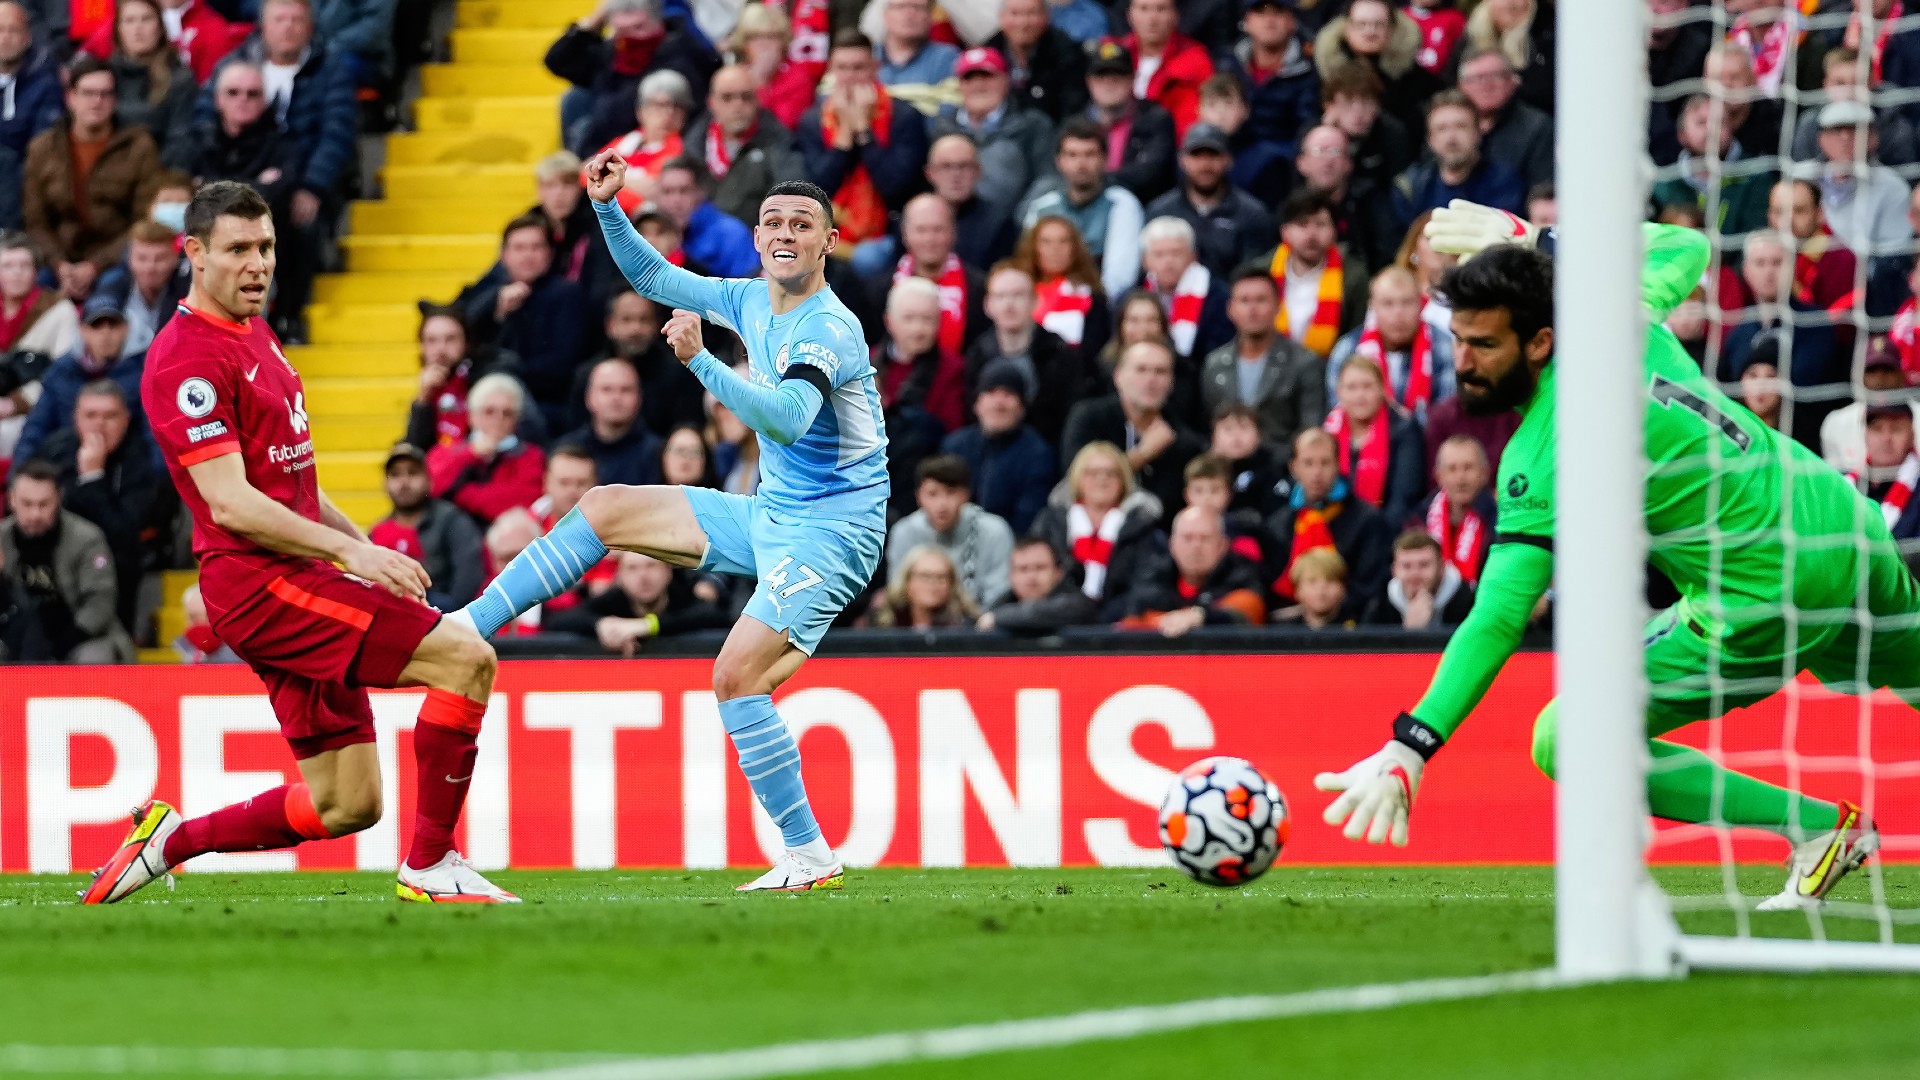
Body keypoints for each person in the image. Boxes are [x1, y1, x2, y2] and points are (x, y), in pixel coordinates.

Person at [1316, 204, 1899, 912]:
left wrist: (1412, 745)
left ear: (1539, 342)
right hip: (1840, 523)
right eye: (1458, 341)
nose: (1462, 363)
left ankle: (1817, 829)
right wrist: (1533, 238)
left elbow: (1499, 615)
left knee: (1567, 738)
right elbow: (1683, 244)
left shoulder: (1542, 452)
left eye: (1484, 345)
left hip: (1764, 593)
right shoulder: (1619, 316)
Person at [454, 159, 893, 894]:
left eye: (802, 225)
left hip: (833, 532)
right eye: (775, 223)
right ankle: (470, 625)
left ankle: (810, 855)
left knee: (735, 678)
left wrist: (699, 364)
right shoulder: (750, 299)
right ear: (756, 238)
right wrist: (606, 207)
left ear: (828, 243)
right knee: (603, 507)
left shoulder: (831, 327)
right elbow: (656, 279)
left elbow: (785, 419)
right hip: (774, 515)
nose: (786, 234)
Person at [95, 181, 512, 905]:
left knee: (347, 805)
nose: (257, 265)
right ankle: (432, 863)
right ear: (192, 253)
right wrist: (349, 556)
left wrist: (358, 543)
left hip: (295, 576)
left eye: (266, 249)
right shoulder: (184, 360)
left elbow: (291, 478)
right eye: (237, 251)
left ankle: (168, 841)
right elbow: (231, 502)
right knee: (467, 661)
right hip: (263, 586)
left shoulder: (253, 329)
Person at [201, 0, 360, 333]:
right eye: (279, 19)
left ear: (310, 27)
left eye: (296, 20)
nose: (288, 26)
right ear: (263, 25)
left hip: (304, 180)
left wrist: (311, 186)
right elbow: (203, 124)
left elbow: (336, 134)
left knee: (300, 221)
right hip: (243, 175)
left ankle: (290, 313)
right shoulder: (235, 64)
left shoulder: (332, 68)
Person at [29, 377, 164, 632]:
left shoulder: (141, 460)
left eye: (109, 416)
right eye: (91, 415)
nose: (99, 424)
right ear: (76, 417)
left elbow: (124, 533)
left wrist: (92, 478)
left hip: (112, 568)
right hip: (51, 562)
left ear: (126, 419)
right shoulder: (55, 450)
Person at [24, 57, 163, 304]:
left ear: (115, 100)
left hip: (115, 262)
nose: (96, 102)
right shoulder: (43, 148)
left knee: (103, 308)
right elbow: (36, 221)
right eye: (88, 93)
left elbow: (144, 220)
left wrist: (94, 266)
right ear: (71, 98)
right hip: (57, 262)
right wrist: (59, 265)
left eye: (105, 94)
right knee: (31, 304)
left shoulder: (138, 146)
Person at [795, 30, 931, 272]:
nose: (850, 77)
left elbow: (895, 187)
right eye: (843, 68)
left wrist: (863, 131)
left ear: (875, 68)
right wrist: (844, 138)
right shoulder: (812, 120)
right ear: (831, 70)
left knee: (867, 259)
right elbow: (817, 190)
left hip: (888, 230)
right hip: (828, 226)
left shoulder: (904, 116)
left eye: (858, 68)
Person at [459, 213, 594, 433]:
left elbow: (563, 364)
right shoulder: (489, 295)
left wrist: (511, 372)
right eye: (519, 248)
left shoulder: (568, 295)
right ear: (504, 256)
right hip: (490, 400)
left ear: (550, 254)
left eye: (536, 247)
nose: (527, 256)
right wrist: (497, 312)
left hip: (546, 405)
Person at [546, 0, 719, 156]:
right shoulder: (614, 53)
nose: (630, 37)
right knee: (574, 99)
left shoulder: (682, 54)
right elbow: (557, 61)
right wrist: (593, 23)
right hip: (603, 145)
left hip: (654, 148)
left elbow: (621, 116)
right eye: (622, 30)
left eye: (638, 27)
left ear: (657, 21)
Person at [0, 459, 132, 661]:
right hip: (17, 635)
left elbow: (100, 601)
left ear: (59, 499)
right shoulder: (2, 538)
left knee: (93, 658)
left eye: (44, 504)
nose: (35, 514)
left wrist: (66, 641)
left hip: (79, 634)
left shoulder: (87, 537)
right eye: (27, 504)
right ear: (12, 500)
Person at [1262, 426, 1391, 622]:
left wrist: (1317, 610)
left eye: (1325, 463)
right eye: (1308, 463)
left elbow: (1369, 588)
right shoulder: (1277, 524)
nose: (1317, 472)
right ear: (1293, 467)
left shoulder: (1368, 521)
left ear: (1338, 465)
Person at [961, 261, 1097, 447]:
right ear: (987, 305)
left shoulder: (1061, 353)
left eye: (1018, 295)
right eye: (1000, 296)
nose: (1009, 305)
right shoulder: (976, 354)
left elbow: (1070, 414)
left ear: (1035, 301)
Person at [1062, 341, 1205, 513]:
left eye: (1160, 372)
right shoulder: (1089, 417)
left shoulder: (1184, 442)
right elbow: (1075, 479)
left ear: (1171, 382)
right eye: (1141, 370)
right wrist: (1143, 454)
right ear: (1118, 377)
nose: (1151, 380)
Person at [1200, 266, 1324, 462]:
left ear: (1278, 306)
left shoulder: (1305, 363)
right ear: (1230, 309)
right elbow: (1207, 427)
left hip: (1281, 472)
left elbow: (1310, 431)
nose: (1252, 310)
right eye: (1244, 301)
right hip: (1224, 474)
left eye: (1261, 300)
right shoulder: (1214, 364)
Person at [1028, 440, 1164, 620]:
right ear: (1077, 478)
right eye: (1092, 473)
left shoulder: (1142, 526)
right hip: (1056, 622)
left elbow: (1147, 586)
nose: (1102, 479)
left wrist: (1100, 620)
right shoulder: (1050, 523)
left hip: (1116, 628)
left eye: (1111, 473)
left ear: (1123, 480)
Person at [13, 291, 145, 467]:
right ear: (82, 330)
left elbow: (152, 435)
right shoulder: (61, 371)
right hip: (65, 463)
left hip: (128, 466)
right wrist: (20, 474)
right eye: (96, 326)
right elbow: (36, 427)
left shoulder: (145, 371)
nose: (105, 333)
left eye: (113, 325)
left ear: (126, 328)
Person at [1020, 119, 1147, 302]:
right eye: (1072, 155)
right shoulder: (1042, 207)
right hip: (1043, 308)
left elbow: (1119, 278)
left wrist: (1079, 306)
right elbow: (1027, 267)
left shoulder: (1121, 204)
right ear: (1059, 162)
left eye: (1089, 154)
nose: (1081, 164)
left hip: (1098, 308)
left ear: (1105, 160)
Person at [929, 48, 1054, 223]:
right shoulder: (942, 128)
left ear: (1006, 80)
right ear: (959, 85)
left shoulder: (1033, 125)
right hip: (953, 228)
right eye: (969, 78)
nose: (978, 85)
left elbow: (1047, 180)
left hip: (1014, 227)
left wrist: (1020, 221)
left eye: (987, 76)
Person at [1142, 122, 1276, 279]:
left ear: (1228, 159)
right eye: (1196, 155)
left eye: (1213, 155)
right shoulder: (1159, 211)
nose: (1205, 165)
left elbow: (1253, 277)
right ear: (1182, 160)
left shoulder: (1252, 215)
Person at [567, 291, 705, 437]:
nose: (636, 329)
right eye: (626, 320)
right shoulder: (588, 374)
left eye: (644, 320)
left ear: (657, 325)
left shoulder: (678, 373)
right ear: (609, 325)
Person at [886, 453, 1014, 609]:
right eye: (932, 494)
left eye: (951, 492)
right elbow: (898, 592)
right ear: (918, 497)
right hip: (917, 625)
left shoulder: (995, 530)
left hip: (978, 626)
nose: (942, 504)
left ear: (966, 495)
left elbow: (1000, 594)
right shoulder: (904, 531)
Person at [941, 360, 1056, 532]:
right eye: (991, 392)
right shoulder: (954, 446)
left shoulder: (1037, 454)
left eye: (1008, 394)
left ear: (1022, 407)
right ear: (977, 404)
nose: (999, 403)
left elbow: (1028, 519)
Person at [369, 442, 486, 611]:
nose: (404, 482)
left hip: (445, 621)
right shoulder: (378, 531)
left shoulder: (453, 522)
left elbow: (466, 589)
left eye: (413, 473)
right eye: (395, 475)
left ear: (430, 480)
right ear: (385, 484)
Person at [1388, 90, 1525, 235]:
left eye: (1460, 126)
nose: (1451, 138)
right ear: (1430, 140)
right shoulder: (1410, 189)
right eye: (1442, 129)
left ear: (1478, 133)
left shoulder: (1503, 184)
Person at [1327, 265, 1455, 420]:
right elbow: (1339, 414)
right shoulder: (1347, 349)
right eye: (1388, 303)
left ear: (1421, 304)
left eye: (1407, 302)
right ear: (1372, 306)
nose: (1398, 313)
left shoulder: (1444, 346)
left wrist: (1404, 428)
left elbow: (1446, 416)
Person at [690, 63, 807, 228]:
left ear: (758, 100)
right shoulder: (694, 144)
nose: (737, 105)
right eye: (727, 98)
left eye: (746, 97)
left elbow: (791, 198)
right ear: (711, 102)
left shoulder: (778, 142)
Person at [181, 61, 301, 221]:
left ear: (264, 101)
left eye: (252, 93)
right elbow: (182, 194)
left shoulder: (284, 146)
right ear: (218, 99)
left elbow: (275, 198)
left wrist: (206, 186)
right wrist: (257, 185)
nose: (243, 99)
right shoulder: (198, 140)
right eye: (233, 92)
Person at [871, 193, 987, 359]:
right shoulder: (878, 291)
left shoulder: (979, 289)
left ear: (953, 232)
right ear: (905, 234)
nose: (929, 239)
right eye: (921, 230)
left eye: (938, 229)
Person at [1119, 505, 1265, 636]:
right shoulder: (1152, 575)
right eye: (1188, 538)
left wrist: (1201, 616)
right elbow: (1131, 622)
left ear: (1223, 545)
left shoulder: (1241, 573)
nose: (1196, 546)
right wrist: (1167, 621)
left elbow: (1246, 611)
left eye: (1205, 538)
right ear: (1172, 544)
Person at [547, 549, 731, 652]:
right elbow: (556, 621)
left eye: (651, 566)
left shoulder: (682, 594)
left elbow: (715, 615)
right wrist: (600, 624)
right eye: (632, 568)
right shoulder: (613, 600)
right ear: (620, 576)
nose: (643, 577)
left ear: (668, 571)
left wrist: (648, 625)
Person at [1648, 93, 1775, 242]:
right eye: (1701, 122)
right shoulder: (1662, 186)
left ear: (1732, 128)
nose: (1710, 130)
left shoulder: (1756, 178)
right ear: (1681, 135)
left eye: (1719, 122)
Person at [427, 372, 547, 525]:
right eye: (489, 411)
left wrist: (461, 494)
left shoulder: (532, 457)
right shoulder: (445, 451)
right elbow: (429, 488)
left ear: (517, 419)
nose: (498, 419)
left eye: (507, 413)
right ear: (472, 416)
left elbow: (517, 504)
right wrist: (471, 453)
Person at [0, 234, 80, 458]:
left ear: (36, 272)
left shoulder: (60, 311)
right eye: (7, 266)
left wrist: (15, 403)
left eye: (24, 266)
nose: (16, 272)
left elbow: (64, 373)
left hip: (33, 412)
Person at [1324, 354, 1426, 529]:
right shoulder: (1328, 430)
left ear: (1382, 389)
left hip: (1387, 529)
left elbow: (1403, 497)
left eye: (1367, 386)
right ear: (1339, 392)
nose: (1360, 395)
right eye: (1352, 387)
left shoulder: (1404, 428)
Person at [1264, 189, 1368, 360]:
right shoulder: (1263, 272)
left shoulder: (1353, 277)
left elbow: (1356, 337)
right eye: (1302, 224)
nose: (1311, 235)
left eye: (1320, 225)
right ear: (1285, 232)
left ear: (1335, 232)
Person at [1312, 0, 1440, 132]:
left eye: (1378, 25)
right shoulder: (1324, 76)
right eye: (1361, 24)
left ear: (1392, 29)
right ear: (1346, 29)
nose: (1370, 31)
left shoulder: (1418, 81)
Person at [1075, 41, 1177, 205]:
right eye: (1101, 76)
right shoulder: (1076, 125)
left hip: (1144, 205)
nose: (1109, 83)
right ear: (1089, 82)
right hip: (1086, 206)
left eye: (1118, 75)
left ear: (1132, 79)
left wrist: (1095, 182)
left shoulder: (1156, 119)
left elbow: (1151, 172)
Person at [1811, 100, 1912, 264]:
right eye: (1836, 130)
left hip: (1865, 281)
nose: (1845, 138)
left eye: (1854, 129)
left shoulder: (1893, 188)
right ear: (1821, 139)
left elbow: (1892, 258)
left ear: (1873, 138)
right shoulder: (1802, 180)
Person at [1221, 0, 1319, 166]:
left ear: (1292, 21)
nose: (1269, 20)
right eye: (1260, 12)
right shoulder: (1228, 66)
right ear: (1246, 21)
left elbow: (1306, 130)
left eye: (1278, 11)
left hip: (1283, 168)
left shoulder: (1309, 72)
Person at [875, 274, 968, 436]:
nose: (918, 329)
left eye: (927, 319)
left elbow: (952, 431)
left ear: (939, 322)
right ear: (888, 321)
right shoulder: (863, 363)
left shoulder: (954, 370)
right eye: (909, 318)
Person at [108, 0, 197, 169]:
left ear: (160, 27)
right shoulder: (105, 77)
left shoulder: (180, 79)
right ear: (118, 29)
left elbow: (181, 144)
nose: (138, 28)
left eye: (146, 19)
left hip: (159, 178)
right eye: (129, 20)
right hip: (109, 176)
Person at [0, 2, 66, 230]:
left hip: (23, 190)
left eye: (13, 30)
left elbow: (42, 148)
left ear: (28, 36)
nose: (5, 37)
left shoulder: (47, 83)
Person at [595, 69, 693, 214]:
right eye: (660, 105)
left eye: (677, 107)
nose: (669, 113)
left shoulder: (678, 149)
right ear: (641, 111)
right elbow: (587, 171)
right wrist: (629, 183)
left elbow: (648, 192)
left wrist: (608, 179)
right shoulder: (627, 141)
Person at [1454, 46, 1551, 193]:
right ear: (1461, 87)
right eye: (1476, 79)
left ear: (1513, 81)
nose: (1486, 85)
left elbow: (1543, 189)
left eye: (1495, 76)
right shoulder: (1448, 124)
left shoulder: (1538, 127)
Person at [1012, 214, 1112, 355]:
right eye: (1046, 242)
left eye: (1063, 241)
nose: (1055, 249)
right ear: (1034, 247)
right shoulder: (1016, 291)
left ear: (1074, 249)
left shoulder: (1092, 297)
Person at [1137, 215, 1231, 365]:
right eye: (1159, 254)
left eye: (1176, 253)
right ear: (1145, 261)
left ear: (1193, 256)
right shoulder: (1135, 295)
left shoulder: (1217, 297)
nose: (1168, 262)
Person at [561, 356, 664, 486]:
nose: (616, 397)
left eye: (626, 390)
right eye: (607, 389)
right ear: (589, 397)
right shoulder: (565, 451)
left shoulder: (658, 455)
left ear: (639, 397)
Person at [1117, 0, 1214, 138]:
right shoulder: (1114, 55)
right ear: (1129, 15)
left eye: (1161, 9)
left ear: (1175, 15)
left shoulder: (1196, 61)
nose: (1152, 19)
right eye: (1144, 9)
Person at [652, 156, 759, 278]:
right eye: (667, 192)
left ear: (700, 192)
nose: (676, 200)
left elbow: (747, 289)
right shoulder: (646, 231)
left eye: (684, 191)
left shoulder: (731, 234)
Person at [1823, 340, 1919, 475]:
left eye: (1887, 370)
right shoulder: (1836, 422)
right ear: (1860, 377)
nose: (1879, 378)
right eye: (1872, 371)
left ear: (1901, 376)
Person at [725, 1, 824, 132]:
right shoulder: (733, 76)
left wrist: (760, 82)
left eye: (771, 37)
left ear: (783, 41)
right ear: (744, 43)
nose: (764, 44)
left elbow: (783, 127)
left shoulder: (798, 78)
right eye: (755, 37)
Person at [924, 133, 1017, 271]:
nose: (956, 175)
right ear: (930, 174)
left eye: (964, 166)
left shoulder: (1000, 223)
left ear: (978, 171)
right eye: (946, 166)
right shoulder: (915, 219)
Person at [93, 220, 185, 357]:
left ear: (175, 258)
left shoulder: (187, 295)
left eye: (160, 259)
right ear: (129, 258)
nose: (150, 268)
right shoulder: (111, 291)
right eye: (142, 258)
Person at [987, 0, 1088, 124]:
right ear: (1001, 18)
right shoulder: (988, 54)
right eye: (1015, 14)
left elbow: (1073, 110)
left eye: (1031, 14)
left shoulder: (1069, 54)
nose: (1023, 23)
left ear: (1047, 16)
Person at [975, 535, 1097, 633]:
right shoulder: (1002, 603)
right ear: (1010, 575)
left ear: (1058, 573)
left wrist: (997, 618)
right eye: (1023, 569)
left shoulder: (1077, 602)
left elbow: (1038, 614)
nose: (1031, 577)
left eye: (1040, 567)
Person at [1418, 432, 1496, 584]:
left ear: (1484, 473)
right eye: (1452, 469)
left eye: (1468, 468)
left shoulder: (1499, 521)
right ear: (1439, 475)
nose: (1460, 477)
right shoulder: (1418, 520)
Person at [1363, 528, 1474, 629]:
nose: (1415, 574)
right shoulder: (1380, 606)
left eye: (1424, 565)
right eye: (1406, 566)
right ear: (1394, 570)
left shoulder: (1470, 603)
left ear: (1442, 567)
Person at [871, 0, 958, 114]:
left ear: (930, 16)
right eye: (901, 7)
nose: (909, 14)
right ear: (885, 14)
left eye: (918, 8)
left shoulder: (947, 59)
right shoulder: (867, 58)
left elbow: (949, 114)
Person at [865, 544, 978, 628]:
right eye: (925, 576)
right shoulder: (883, 618)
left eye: (941, 577)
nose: (933, 584)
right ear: (907, 580)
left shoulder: (967, 623)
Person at [1271, 545, 1349, 629]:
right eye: (1312, 581)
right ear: (1297, 589)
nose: (1321, 588)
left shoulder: (1358, 625)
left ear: (1343, 588)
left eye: (1330, 580)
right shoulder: (1280, 627)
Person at [659, 423, 720, 488]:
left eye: (694, 452)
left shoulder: (718, 497)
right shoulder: (649, 495)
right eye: (679, 450)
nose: (686, 458)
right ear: (665, 457)